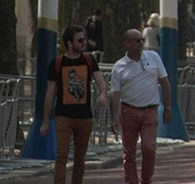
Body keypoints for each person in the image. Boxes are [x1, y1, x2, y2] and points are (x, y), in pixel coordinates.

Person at [111, 28, 173, 184]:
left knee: (149, 148)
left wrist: (167, 107)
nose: (140, 44)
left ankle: (146, 179)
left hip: (150, 110)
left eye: (142, 40)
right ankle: (131, 181)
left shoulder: (153, 57)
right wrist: (113, 117)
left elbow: (165, 82)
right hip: (129, 110)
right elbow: (115, 94)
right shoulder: (119, 67)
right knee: (129, 153)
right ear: (127, 43)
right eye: (137, 40)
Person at [44, 24, 104, 184]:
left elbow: (101, 81)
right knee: (61, 156)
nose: (84, 43)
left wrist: (103, 94)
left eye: (84, 39)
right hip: (63, 116)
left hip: (85, 117)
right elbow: (50, 94)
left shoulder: (89, 60)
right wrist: (45, 122)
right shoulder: (56, 63)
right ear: (70, 43)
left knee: (80, 160)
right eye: (80, 40)